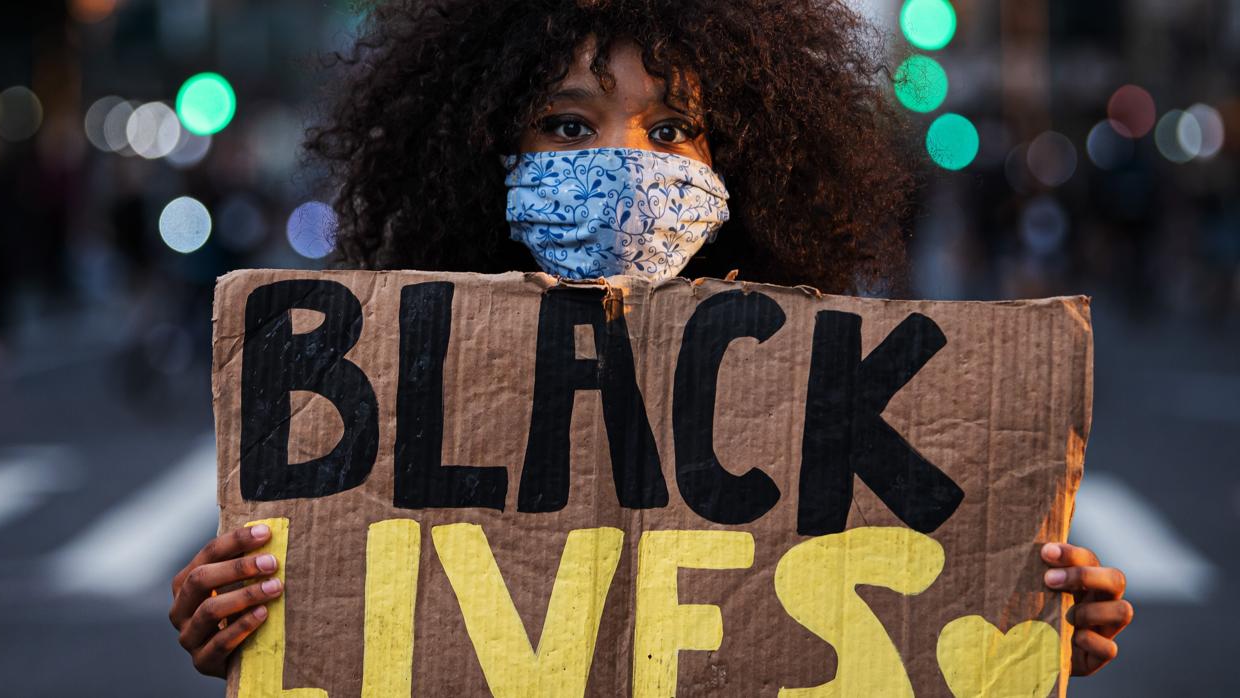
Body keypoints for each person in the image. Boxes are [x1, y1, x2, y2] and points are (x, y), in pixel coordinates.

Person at [169, 0, 1133, 683]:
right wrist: (258, 616)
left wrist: (1017, 618)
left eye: (672, 127)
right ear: (477, 152)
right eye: (565, 123)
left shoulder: (822, 402)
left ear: (745, 157)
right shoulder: (389, 392)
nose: (624, 160)